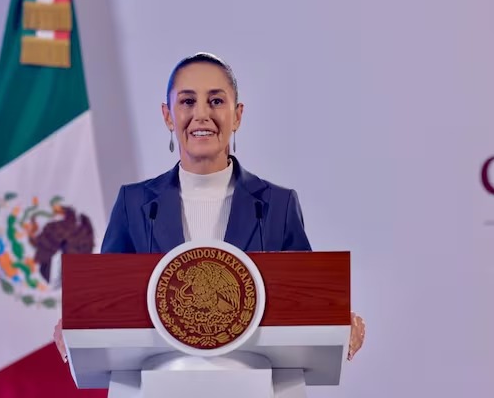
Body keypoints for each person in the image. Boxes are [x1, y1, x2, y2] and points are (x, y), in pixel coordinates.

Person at [54, 52, 365, 362]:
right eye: (187, 102)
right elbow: (106, 301)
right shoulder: (133, 204)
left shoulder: (278, 206)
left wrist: (338, 321)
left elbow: (306, 302)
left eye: (216, 101)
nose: (201, 114)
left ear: (238, 115)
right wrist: (76, 324)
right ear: (167, 116)